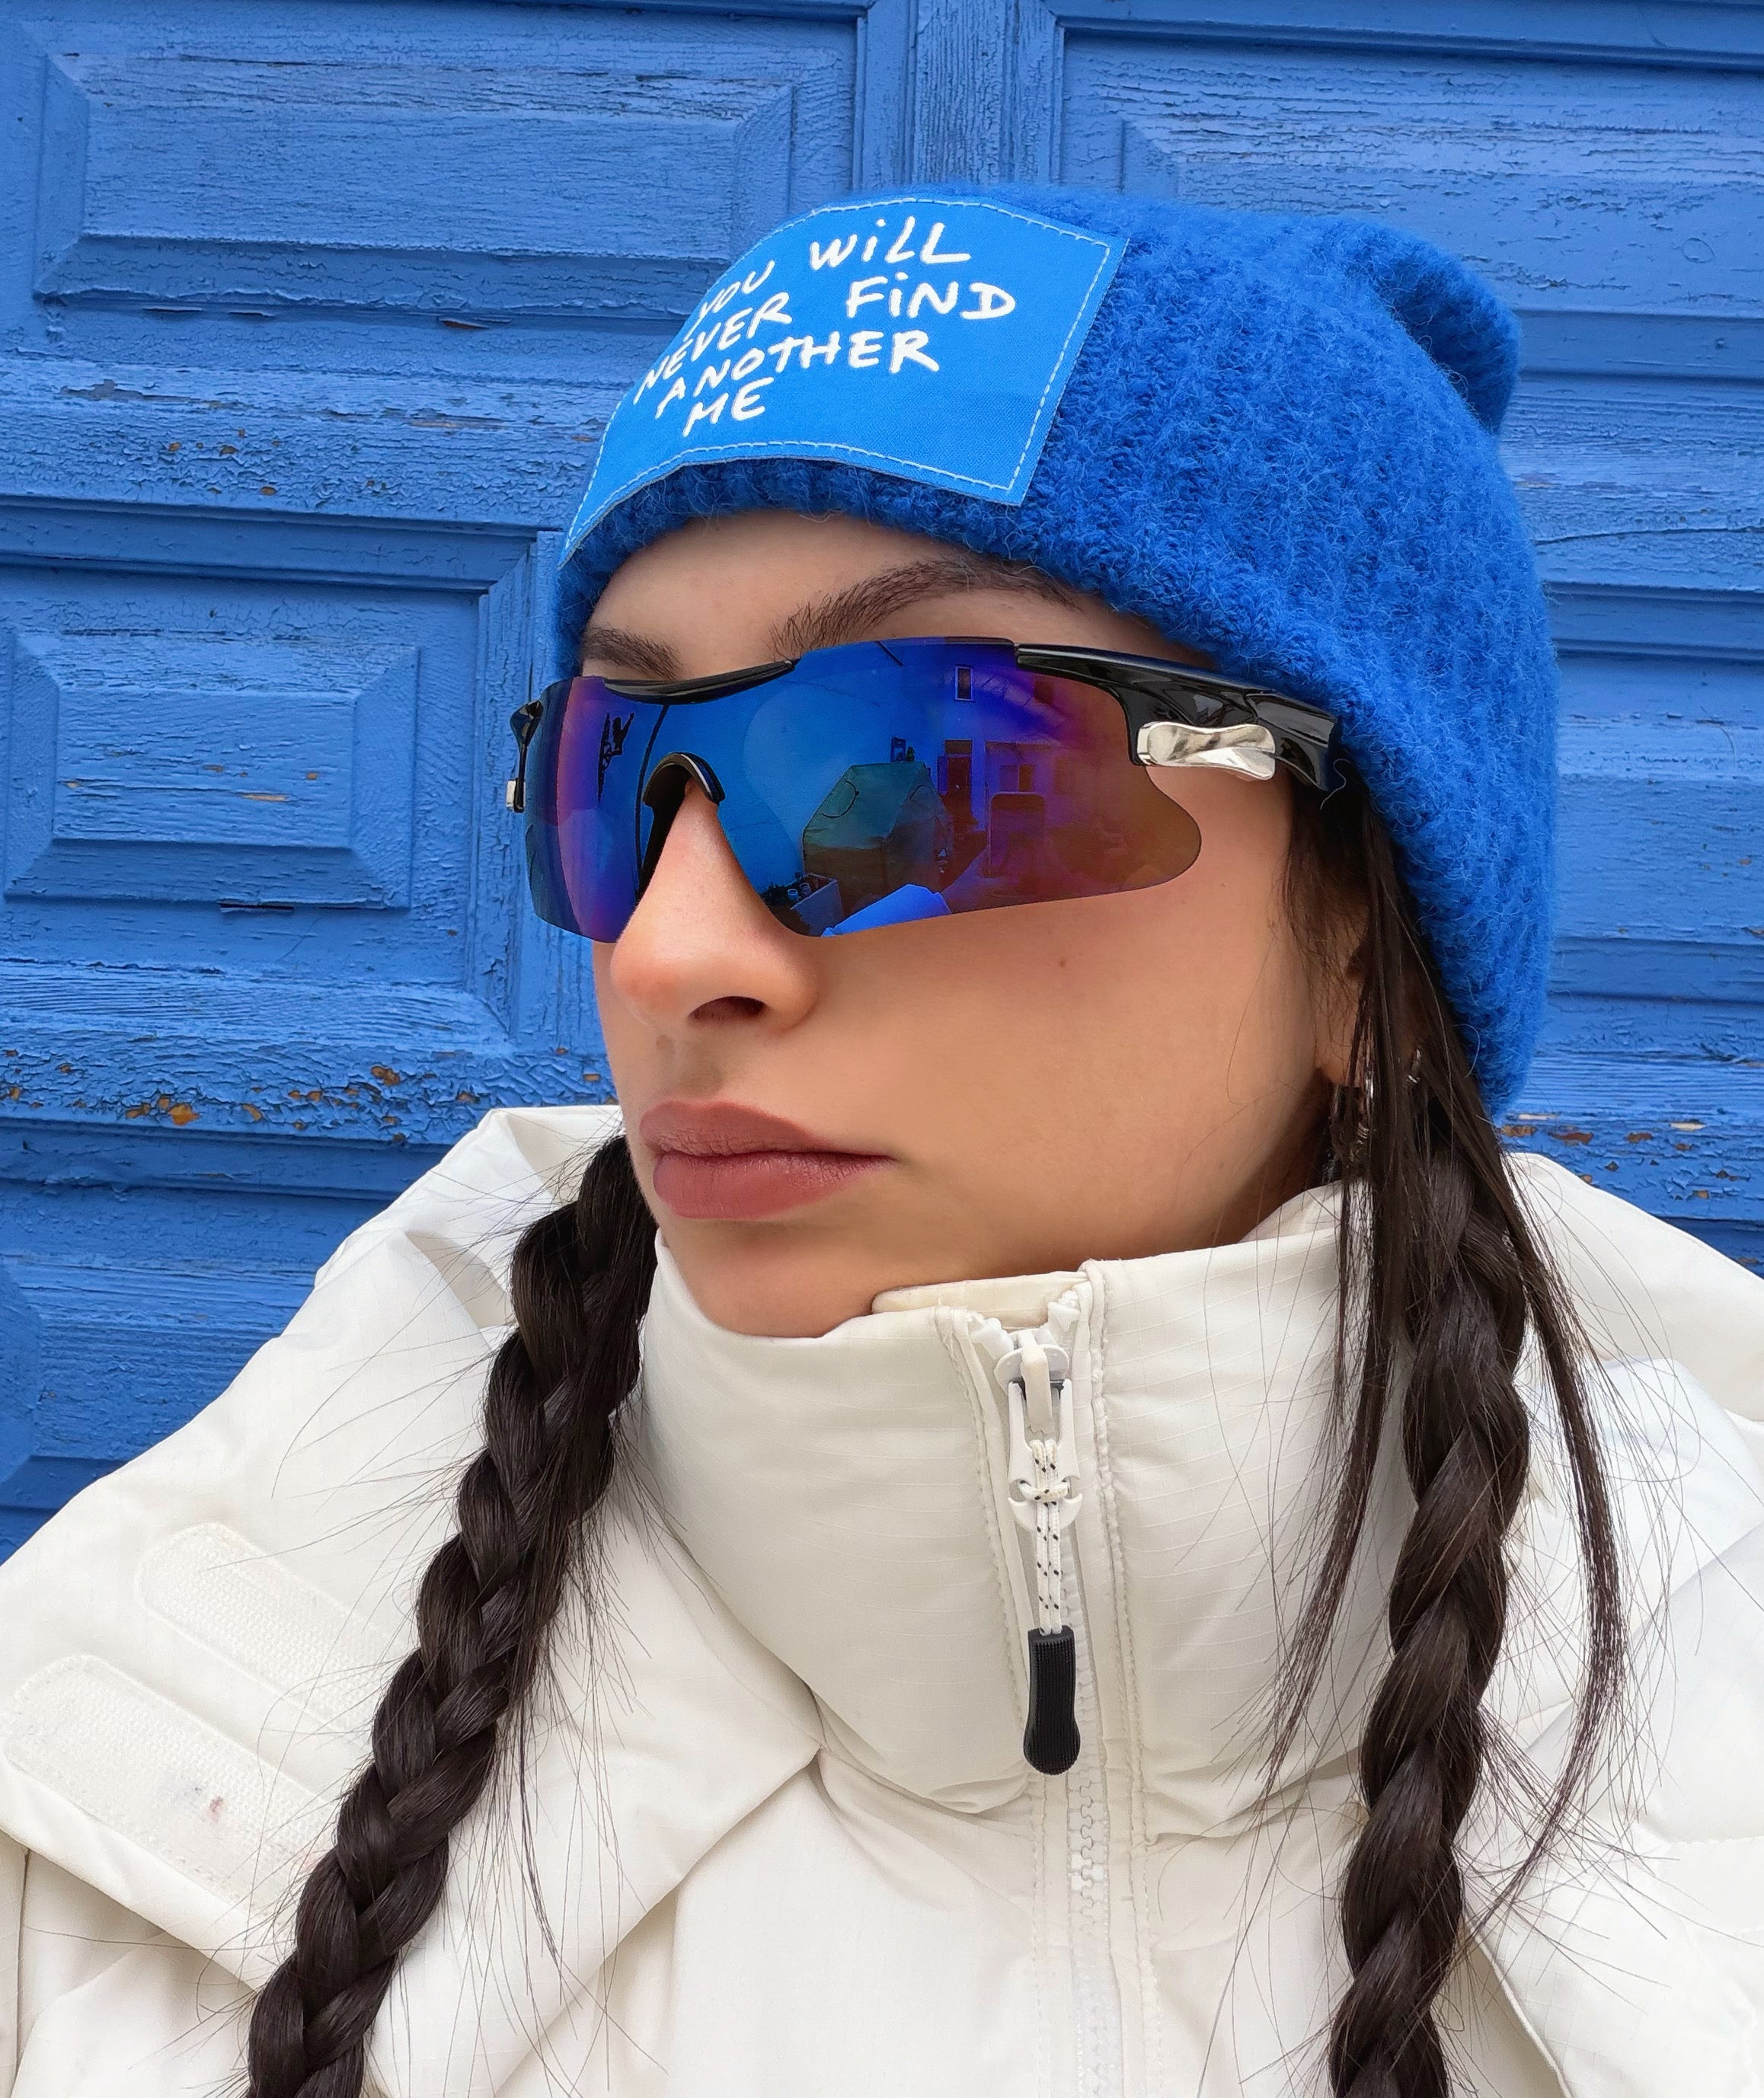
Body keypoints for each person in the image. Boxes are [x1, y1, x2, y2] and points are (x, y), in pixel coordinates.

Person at [1, 187, 1761, 2098]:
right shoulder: (114, 1801)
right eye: (616, 772)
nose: (668, 952)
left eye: (911, 765)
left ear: (1359, 922)